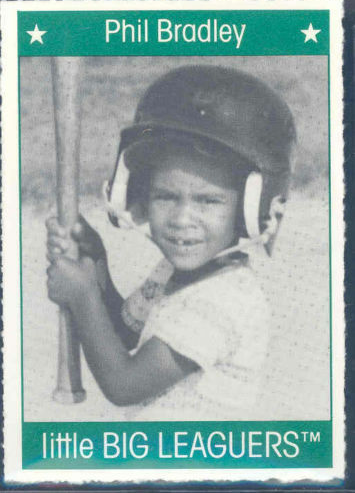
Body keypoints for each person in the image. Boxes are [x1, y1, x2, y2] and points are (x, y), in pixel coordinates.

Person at [46, 65, 296, 420]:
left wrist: (83, 296)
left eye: (208, 201)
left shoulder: (224, 301)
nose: (181, 219)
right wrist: (94, 260)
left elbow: (124, 385)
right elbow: (123, 334)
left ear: (247, 211)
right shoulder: (174, 271)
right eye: (165, 196)